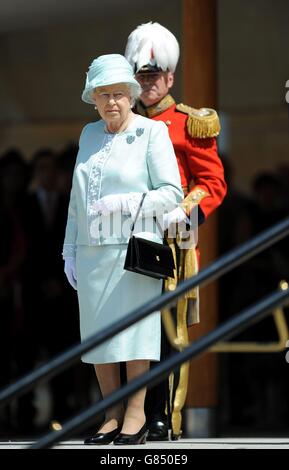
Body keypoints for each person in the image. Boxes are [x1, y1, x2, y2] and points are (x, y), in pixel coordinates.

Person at [62, 54, 183, 445]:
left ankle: (136, 416)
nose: (111, 101)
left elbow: (171, 194)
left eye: (118, 93)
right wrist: (69, 250)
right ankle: (110, 417)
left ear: (131, 95)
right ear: (93, 99)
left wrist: (127, 204)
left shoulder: (151, 133)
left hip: (133, 249)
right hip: (92, 250)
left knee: (135, 338)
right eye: (103, 95)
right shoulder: (89, 134)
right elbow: (76, 201)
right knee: (98, 339)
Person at [125, 22, 227, 440]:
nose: (148, 83)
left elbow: (213, 184)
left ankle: (163, 415)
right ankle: (130, 414)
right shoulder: (122, 121)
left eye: (155, 75)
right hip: (127, 237)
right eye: (142, 75)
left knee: (168, 333)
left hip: (173, 240)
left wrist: (183, 212)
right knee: (130, 331)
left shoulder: (190, 123)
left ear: (170, 77)